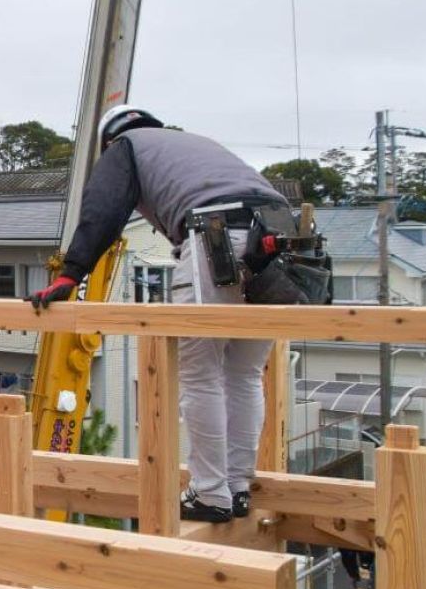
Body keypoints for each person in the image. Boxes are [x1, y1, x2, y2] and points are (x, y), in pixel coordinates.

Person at [30, 105, 295, 523]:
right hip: (276, 239)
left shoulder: (126, 147)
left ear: (109, 138)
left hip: (217, 236)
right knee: (244, 373)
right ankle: (237, 486)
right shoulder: (190, 144)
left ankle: (210, 494)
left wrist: (71, 274)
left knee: (201, 371)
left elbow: (104, 208)